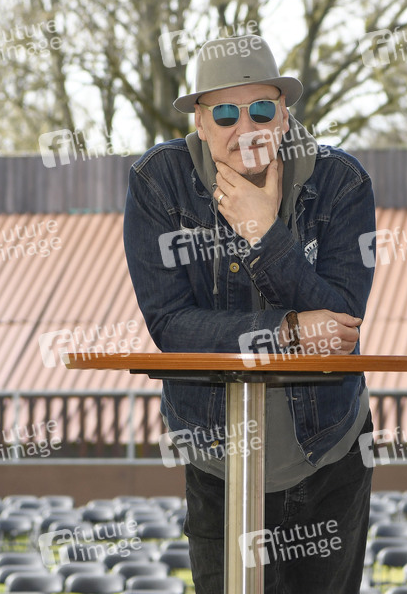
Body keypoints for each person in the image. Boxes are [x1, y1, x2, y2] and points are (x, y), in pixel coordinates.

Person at [123, 34, 376, 593]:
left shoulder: (342, 182)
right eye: (225, 114)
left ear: (283, 115)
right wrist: (286, 330)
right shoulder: (158, 182)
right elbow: (171, 326)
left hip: (329, 451)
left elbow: (341, 325)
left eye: (261, 109)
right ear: (199, 122)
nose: (246, 128)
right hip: (218, 458)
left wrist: (264, 232)